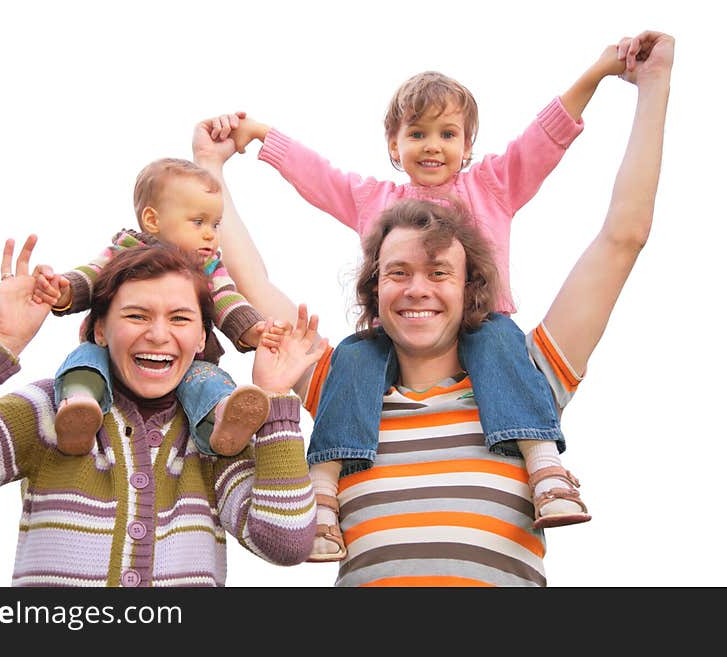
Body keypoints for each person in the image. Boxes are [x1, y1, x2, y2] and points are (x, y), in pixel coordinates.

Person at [197, 29, 673, 584]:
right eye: (398, 272)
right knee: (352, 355)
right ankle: (321, 499)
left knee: (498, 341)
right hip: (361, 380)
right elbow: (260, 266)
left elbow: (620, 232)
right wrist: (211, 168)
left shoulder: (523, 379)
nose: (418, 288)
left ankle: (547, 466)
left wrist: (644, 82)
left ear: (469, 281)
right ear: (374, 287)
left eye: (439, 271)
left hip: (500, 357)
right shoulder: (347, 385)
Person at [0, 240, 324, 586]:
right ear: (100, 331)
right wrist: (2, 342)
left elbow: (283, 543)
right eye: (137, 316)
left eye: (181, 319)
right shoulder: (51, 409)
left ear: (203, 339)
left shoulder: (215, 434)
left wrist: (277, 398)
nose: (159, 334)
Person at [31, 157, 286, 459]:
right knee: (84, 359)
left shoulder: (209, 267)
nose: (210, 234)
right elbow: (92, 275)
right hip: (114, 356)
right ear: (152, 220)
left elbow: (227, 298)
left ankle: (222, 420)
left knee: (207, 379)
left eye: (215, 224)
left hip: (185, 364)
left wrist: (251, 329)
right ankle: (79, 407)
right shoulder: (126, 251)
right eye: (198, 222)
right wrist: (64, 290)